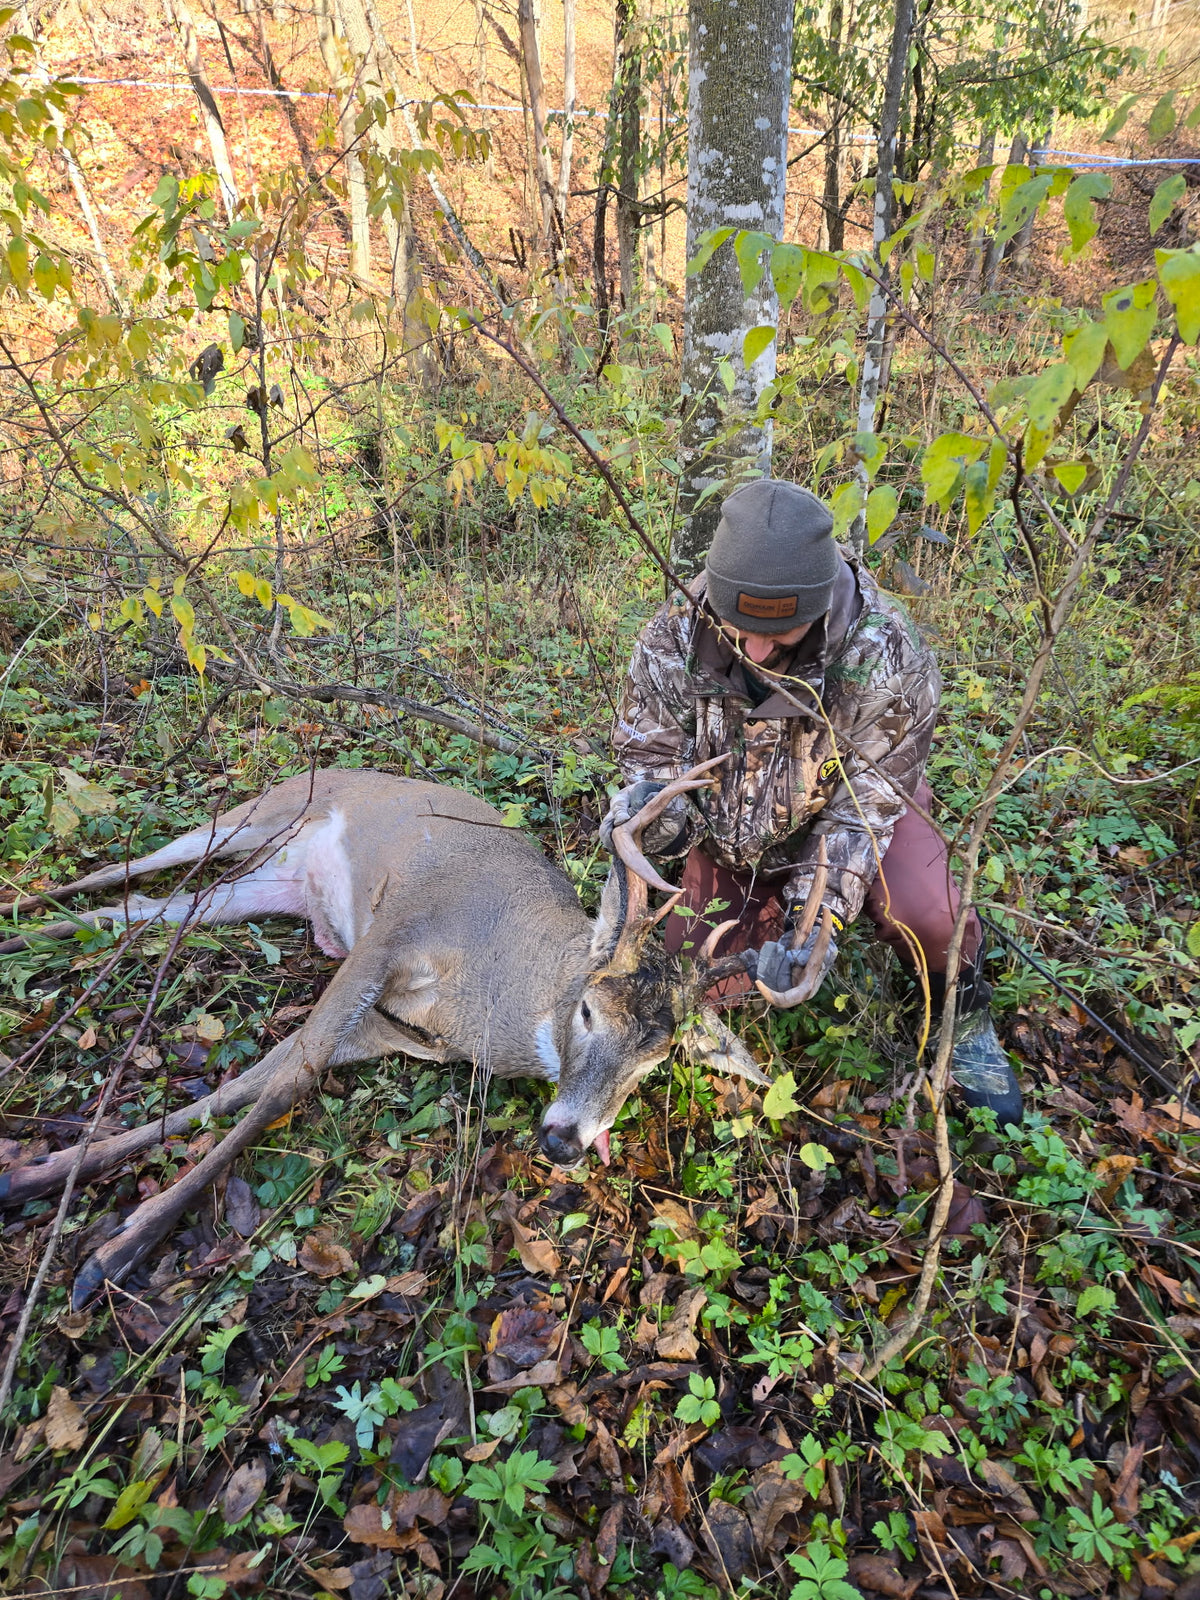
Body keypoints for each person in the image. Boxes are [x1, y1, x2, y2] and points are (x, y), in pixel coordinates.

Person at [601, 477, 1023, 1127]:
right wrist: (653, 819)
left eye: (782, 630)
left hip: (852, 814)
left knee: (928, 911)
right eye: (740, 626)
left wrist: (814, 923)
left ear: (820, 603)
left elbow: (864, 809)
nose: (758, 650)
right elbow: (648, 760)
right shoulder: (674, 635)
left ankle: (962, 1013)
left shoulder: (884, 652)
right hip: (730, 834)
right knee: (700, 985)